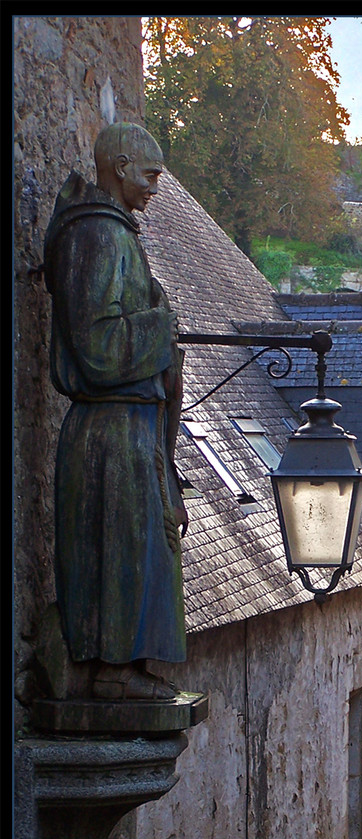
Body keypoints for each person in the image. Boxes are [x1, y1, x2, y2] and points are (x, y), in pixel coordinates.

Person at [44, 122, 187, 700]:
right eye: (150, 175)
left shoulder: (117, 232)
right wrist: (163, 322)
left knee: (142, 541)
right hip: (110, 427)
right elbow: (97, 347)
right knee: (122, 543)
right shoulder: (97, 236)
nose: (155, 187)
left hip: (131, 424)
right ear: (120, 165)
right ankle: (112, 672)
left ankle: (124, 668)